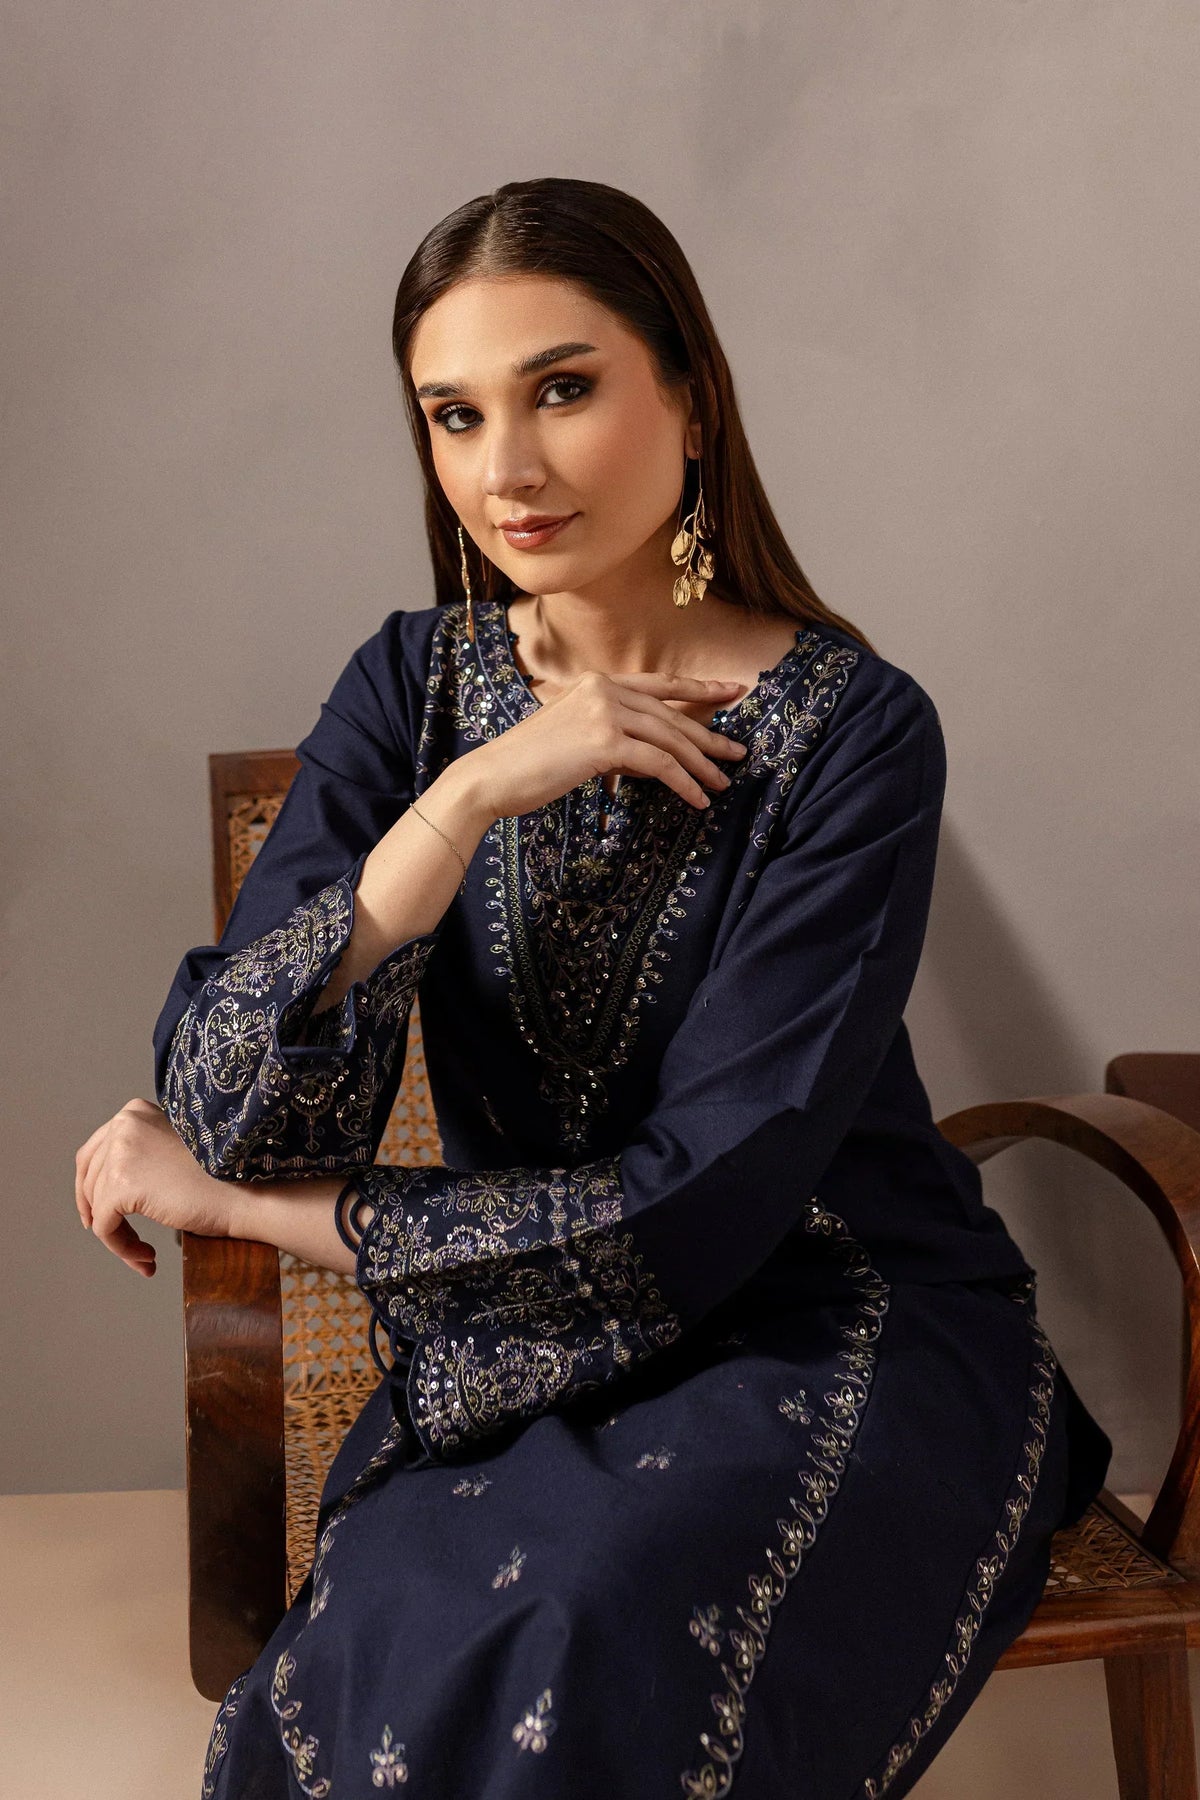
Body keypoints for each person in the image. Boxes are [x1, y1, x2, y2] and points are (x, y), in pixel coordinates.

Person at [75, 176, 1112, 1799]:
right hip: (521, 1338)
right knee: (402, 1642)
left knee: (590, 1628)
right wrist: (460, 803)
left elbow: (703, 1201)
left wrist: (255, 1215)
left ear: (689, 396)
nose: (506, 467)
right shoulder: (413, 693)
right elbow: (228, 1094)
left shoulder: (854, 732)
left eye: (561, 389)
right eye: (455, 414)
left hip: (838, 1323)